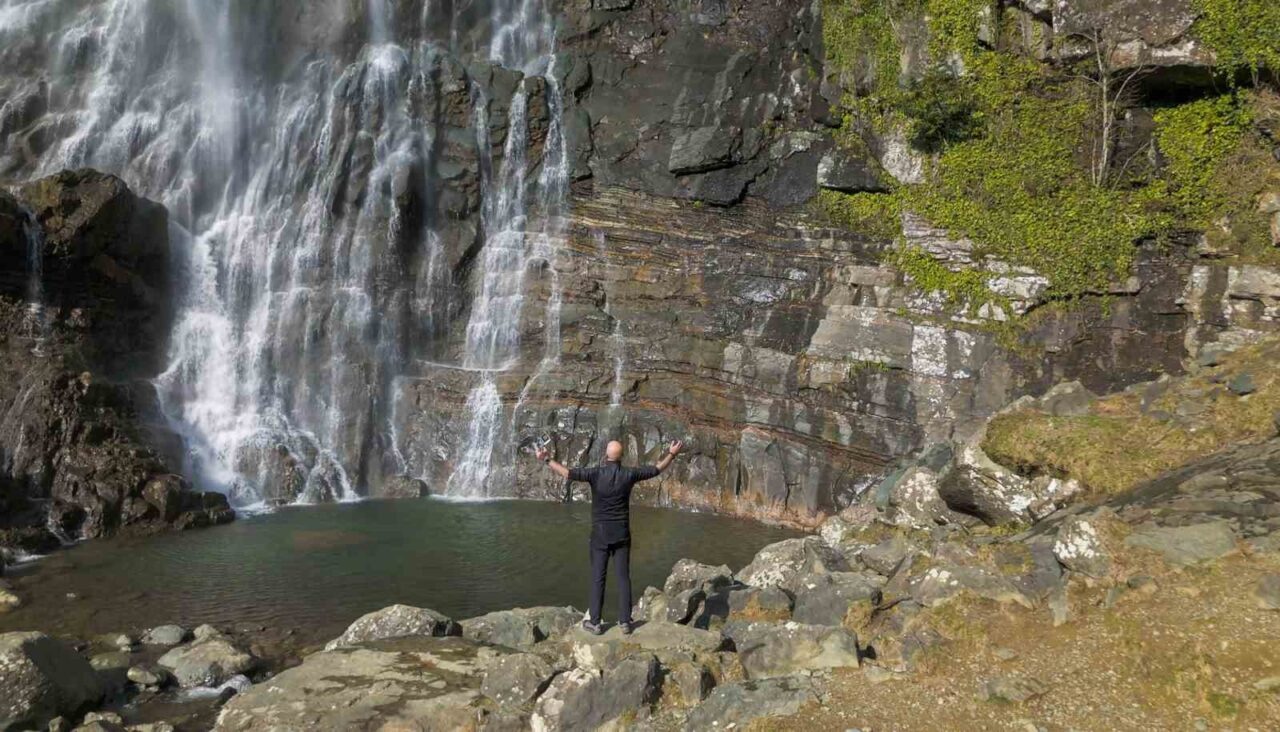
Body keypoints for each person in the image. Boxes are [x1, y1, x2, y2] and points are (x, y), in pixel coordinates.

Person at [534, 438, 684, 635]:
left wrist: (546, 460)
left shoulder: (595, 473)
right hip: (621, 533)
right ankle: (625, 622)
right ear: (621, 456)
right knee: (623, 578)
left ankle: (595, 622)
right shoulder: (629, 474)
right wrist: (672, 453)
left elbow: (568, 473)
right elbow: (657, 469)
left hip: (600, 534)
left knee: (598, 578)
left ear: (606, 455)